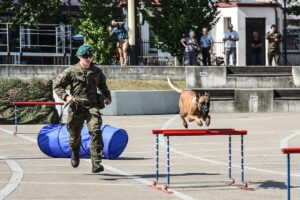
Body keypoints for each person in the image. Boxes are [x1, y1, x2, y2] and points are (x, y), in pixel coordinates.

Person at [54, 44, 111, 173]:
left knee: (96, 130)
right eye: (85, 56)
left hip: (92, 106)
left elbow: (103, 86)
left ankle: (96, 162)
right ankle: (75, 152)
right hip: (77, 106)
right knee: (74, 135)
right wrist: (66, 97)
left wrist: (107, 97)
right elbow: (57, 86)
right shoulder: (71, 71)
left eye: (90, 56)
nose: (88, 59)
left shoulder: (97, 71)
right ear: (79, 57)